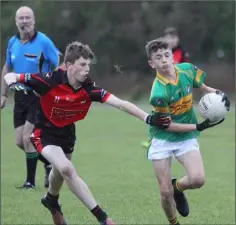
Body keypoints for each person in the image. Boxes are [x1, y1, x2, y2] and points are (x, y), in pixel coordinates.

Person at [4, 41, 171, 225]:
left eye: (88, 65)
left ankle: (51, 200)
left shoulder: (89, 88)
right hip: (44, 134)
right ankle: (103, 218)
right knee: (66, 168)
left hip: (67, 134)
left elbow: (121, 103)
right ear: (69, 66)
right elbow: (12, 75)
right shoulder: (49, 80)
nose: (86, 69)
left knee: (59, 173)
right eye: (82, 65)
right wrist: (11, 81)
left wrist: (148, 118)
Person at [144, 38, 230, 225]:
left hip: (186, 136)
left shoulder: (187, 70)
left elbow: (205, 89)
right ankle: (173, 222)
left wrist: (220, 95)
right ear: (152, 63)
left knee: (198, 179)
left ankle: (178, 188)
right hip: (162, 138)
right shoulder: (158, 93)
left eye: (167, 55)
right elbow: (166, 125)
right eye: (159, 58)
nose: (165, 60)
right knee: (164, 193)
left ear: (172, 56)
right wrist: (198, 127)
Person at [1, 6, 60, 189]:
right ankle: (50, 163)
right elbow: (7, 67)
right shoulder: (12, 42)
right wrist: (3, 93)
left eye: (28, 18)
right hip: (19, 97)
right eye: (21, 18)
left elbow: (58, 65)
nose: (24, 21)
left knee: (28, 138)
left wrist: (50, 88)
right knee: (20, 141)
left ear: (33, 21)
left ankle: (30, 182)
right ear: (16, 21)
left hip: (37, 96)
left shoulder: (44, 42)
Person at [141, 27, 190, 148]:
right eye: (168, 38)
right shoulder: (160, 52)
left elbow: (187, 70)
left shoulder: (182, 53)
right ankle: (155, 140)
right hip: (165, 88)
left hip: (178, 90)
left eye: (173, 38)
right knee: (160, 115)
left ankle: (178, 141)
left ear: (177, 39)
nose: (171, 40)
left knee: (177, 116)